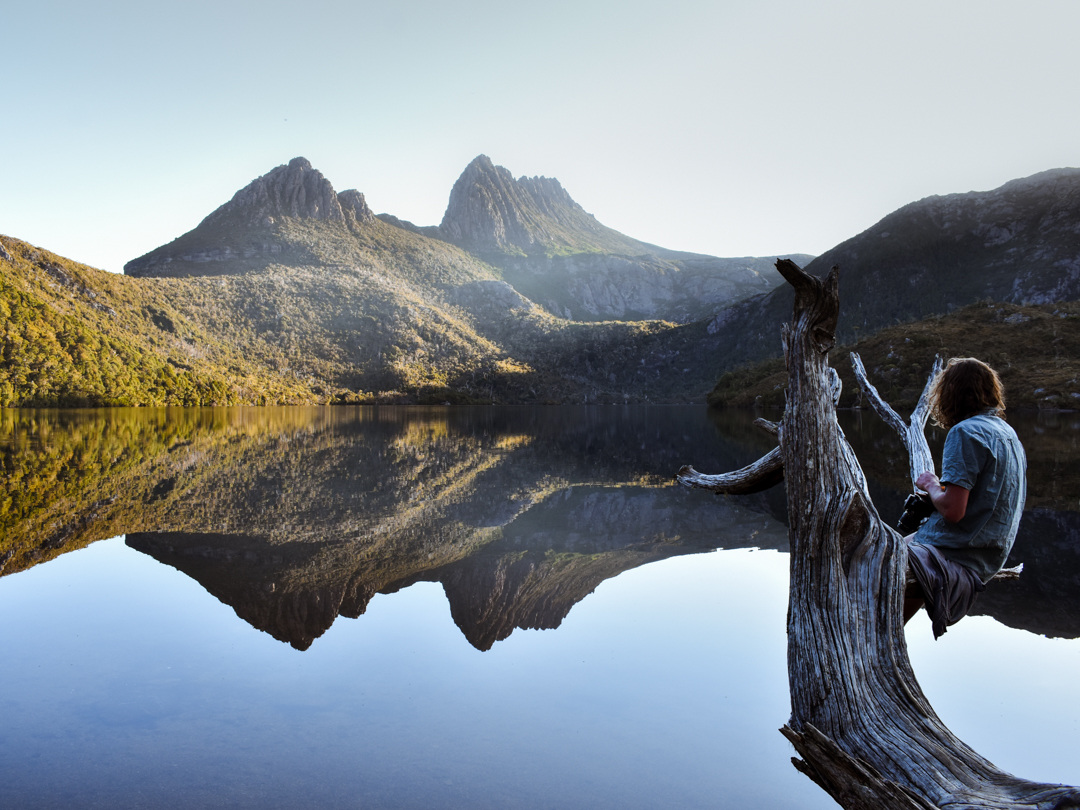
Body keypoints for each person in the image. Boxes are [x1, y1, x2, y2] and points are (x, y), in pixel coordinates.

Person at [902, 357, 1027, 638]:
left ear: (950, 394)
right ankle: (889, 633)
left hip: (958, 550)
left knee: (872, 562)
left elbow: (954, 511)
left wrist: (932, 485)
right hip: (987, 553)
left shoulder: (964, 432)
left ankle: (876, 638)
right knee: (892, 548)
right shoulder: (1008, 433)